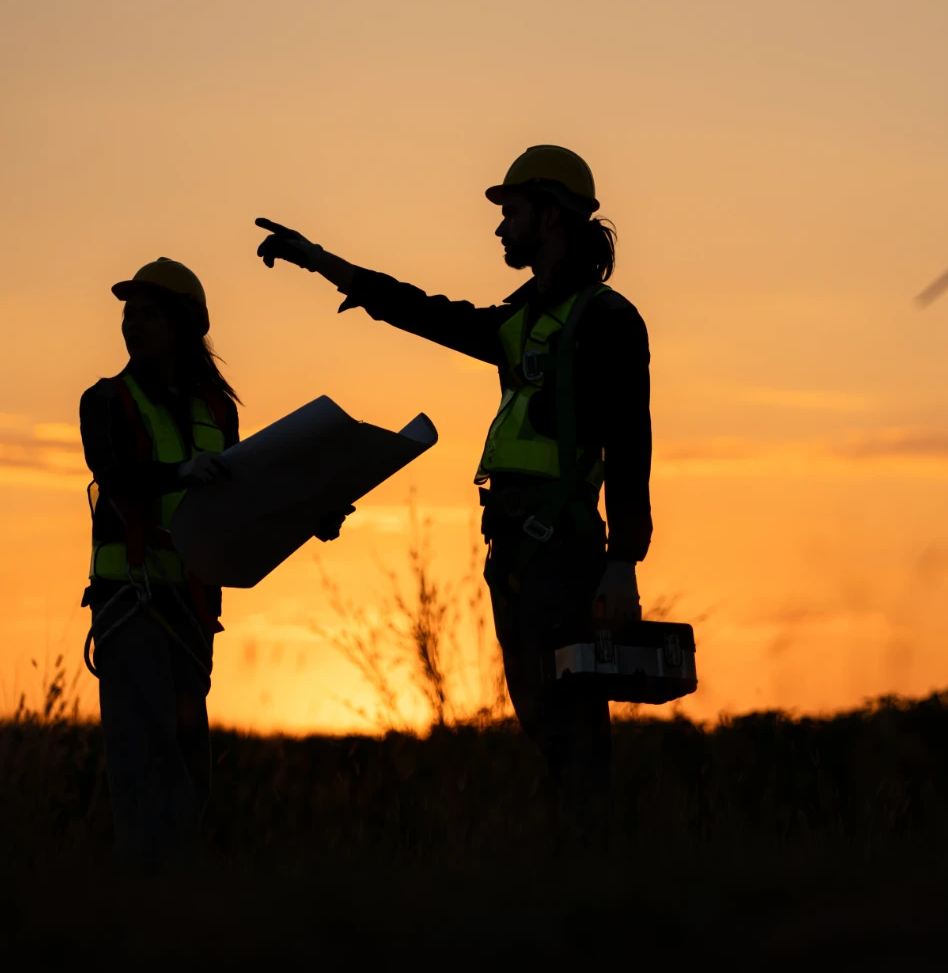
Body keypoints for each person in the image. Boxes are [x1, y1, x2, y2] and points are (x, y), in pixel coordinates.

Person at [255, 145, 652, 842]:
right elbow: (425, 312)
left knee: (572, 722)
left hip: (563, 548)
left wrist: (624, 560)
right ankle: (583, 865)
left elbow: (631, 444)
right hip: (516, 548)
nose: (501, 229)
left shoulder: (609, 319)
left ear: (552, 216)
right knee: (541, 717)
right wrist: (321, 262)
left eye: (513, 213)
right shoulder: (519, 320)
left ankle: (599, 874)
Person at [79, 258, 345, 870]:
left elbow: (244, 501)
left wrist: (312, 515)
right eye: (128, 312)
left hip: (192, 610)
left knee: (186, 756)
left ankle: (177, 891)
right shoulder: (106, 400)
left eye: (147, 313)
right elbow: (116, 477)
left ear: (184, 324)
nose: (131, 324)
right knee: (146, 753)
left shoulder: (215, 410)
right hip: (131, 599)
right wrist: (179, 473)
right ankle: (146, 887)